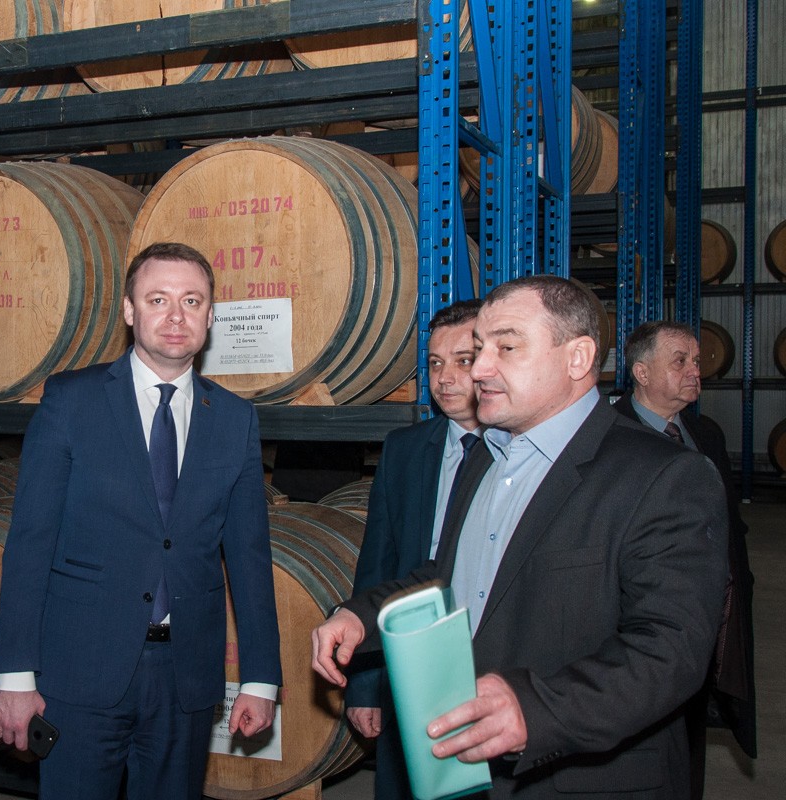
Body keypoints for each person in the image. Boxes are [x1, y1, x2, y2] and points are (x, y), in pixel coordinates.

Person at [311, 275, 729, 798]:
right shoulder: (487, 456)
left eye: (505, 347)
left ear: (577, 359)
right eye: (480, 348)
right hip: (466, 766)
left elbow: (671, 650)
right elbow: (450, 577)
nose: (479, 369)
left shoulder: (664, 475)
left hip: (575, 776)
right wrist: (363, 616)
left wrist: (536, 709)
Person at [0, 242, 282, 800]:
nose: (176, 316)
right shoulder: (70, 401)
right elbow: (29, 542)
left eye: (192, 301)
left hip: (186, 677)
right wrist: (16, 676)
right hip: (79, 671)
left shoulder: (236, 419)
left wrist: (261, 677)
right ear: (129, 310)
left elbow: (249, 557)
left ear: (211, 316)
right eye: (158, 299)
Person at [345, 298, 483, 800]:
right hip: (412, 659)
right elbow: (377, 567)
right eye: (436, 363)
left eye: (463, 361)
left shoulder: (519, 451)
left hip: (492, 659)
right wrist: (365, 686)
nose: (445, 378)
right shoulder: (404, 449)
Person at [614, 319, 757, 798]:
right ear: (641, 372)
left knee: (690, 744)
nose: (695, 371)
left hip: (706, 623)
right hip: (640, 627)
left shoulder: (705, 434)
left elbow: (730, 525)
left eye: (696, 361)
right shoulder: (609, 437)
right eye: (680, 361)